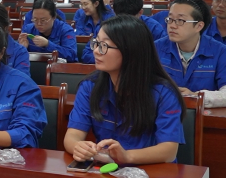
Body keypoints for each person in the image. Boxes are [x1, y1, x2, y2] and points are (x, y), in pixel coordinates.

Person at [64, 15, 186, 165]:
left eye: (104, 45)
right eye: (96, 43)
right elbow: (72, 135)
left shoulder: (163, 93)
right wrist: (78, 147)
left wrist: (127, 156)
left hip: (152, 171)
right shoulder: (90, 86)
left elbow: (169, 151)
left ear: (130, 51)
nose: (96, 51)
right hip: (105, 169)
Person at [156, 0, 226, 108]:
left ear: (199, 26)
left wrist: (197, 96)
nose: (172, 25)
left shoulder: (219, 51)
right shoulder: (156, 48)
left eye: (180, 20)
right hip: (162, 113)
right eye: (170, 19)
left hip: (204, 115)